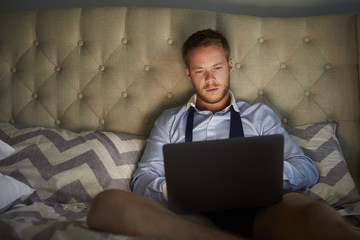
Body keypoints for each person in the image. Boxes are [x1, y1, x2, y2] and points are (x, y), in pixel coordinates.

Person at [87, 29, 360, 240]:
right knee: (107, 204)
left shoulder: (260, 116)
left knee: (317, 214)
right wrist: (177, 190)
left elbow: (307, 169)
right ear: (188, 74)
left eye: (216, 68)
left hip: (261, 214)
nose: (210, 79)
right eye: (200, 71)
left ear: (230, 65)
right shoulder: (169, 120)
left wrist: (264, 176)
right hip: (186, 218)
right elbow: (143, 179)